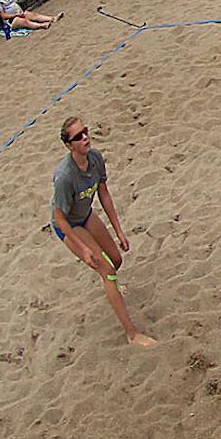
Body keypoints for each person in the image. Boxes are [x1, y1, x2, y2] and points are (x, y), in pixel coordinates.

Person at [50, 116, 154, 347]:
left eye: (85, 131)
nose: (85, 137)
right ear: (69, 146)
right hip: (68, 225)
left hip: (85, 214)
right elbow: (58, 218)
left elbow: (104, 194)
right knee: (107, 271)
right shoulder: (65, 177)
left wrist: (119, 231)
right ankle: (132, 334)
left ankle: (113, 287)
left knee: (116, 259)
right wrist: (83, 248)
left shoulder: (95, 158)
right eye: (78, 136)